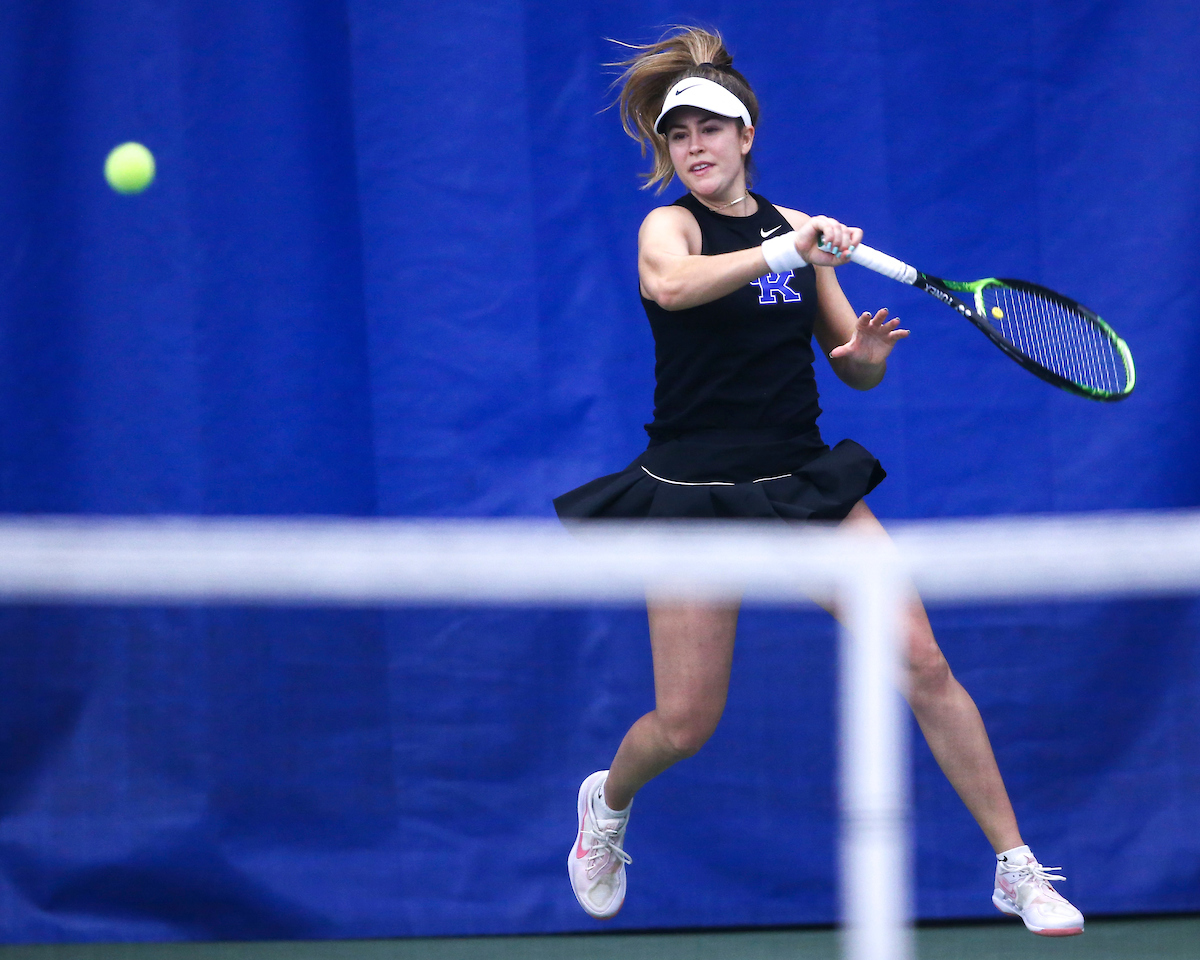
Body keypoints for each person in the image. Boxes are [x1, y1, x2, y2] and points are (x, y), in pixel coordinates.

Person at [553, 26, 1084, 938]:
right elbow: (674, 288)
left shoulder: (794, 232)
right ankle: (605, 804)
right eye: (679, 136)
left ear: (746, 134)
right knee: (684, 724)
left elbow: (850, 362)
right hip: (690, 492)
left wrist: (865, 351)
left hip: (800, 481)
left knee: (921, 660)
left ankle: (1016, 867)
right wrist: (787, 249)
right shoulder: (670, 226)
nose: (695, 148)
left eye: (711, 130)